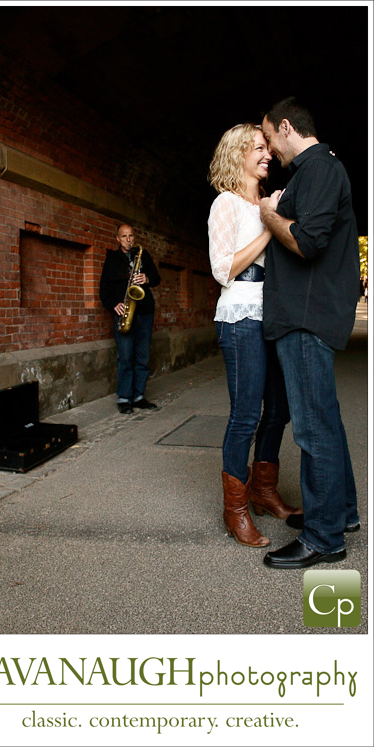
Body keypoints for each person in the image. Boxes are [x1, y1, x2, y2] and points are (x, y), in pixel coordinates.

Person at [260, 96, 360, 570]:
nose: (269, 150)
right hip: (309, 313)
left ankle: (324, 538)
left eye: (269, 138)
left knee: (314, 429)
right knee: (327, 422)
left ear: (286, 127)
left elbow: (308, 241)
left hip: (305, 316)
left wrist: (269, 214)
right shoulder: (320, 169)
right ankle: (341, 514)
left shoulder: (317, 168)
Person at [207, 123, 300, 549]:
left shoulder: (268, 202)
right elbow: (223, 269)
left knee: (279, 409)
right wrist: (268, 227)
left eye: (267, 148)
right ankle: (236, 510)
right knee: (245, 414)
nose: (267, 155)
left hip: (274, 314)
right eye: (259, 148)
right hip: (241, 314)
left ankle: (264, 492)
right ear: (238, 154)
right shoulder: (225, 204)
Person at [100, 223, 161, 414]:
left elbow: (156, 278)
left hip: (145, 312)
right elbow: (104, 289)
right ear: (118, 239)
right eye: (124, 236)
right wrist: (114, 304)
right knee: (126, 356)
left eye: (131, 236)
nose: (128, 239)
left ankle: (139, 396)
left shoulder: (143, 255)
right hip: (126, 312)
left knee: (143, 356)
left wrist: (147, 279)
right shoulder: (112, 259)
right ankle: (124, 397)